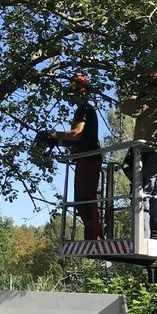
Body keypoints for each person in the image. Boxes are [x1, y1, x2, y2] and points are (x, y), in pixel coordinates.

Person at [42, 73, 103, 240]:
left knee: (86, 198)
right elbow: (75, 140)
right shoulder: (82, 110)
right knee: (81, 200)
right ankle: (92, 235)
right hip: (84, 158)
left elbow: (76, 134)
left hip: (89, 159)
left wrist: (52, 134)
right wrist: (56, 140)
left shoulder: (84, 109)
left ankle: (95, 236)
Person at [120, 72, 157, 241]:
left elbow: (126, 107)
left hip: (152, 155)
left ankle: (142, 237)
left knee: (142, 194)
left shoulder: (149, 102)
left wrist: (133, 93)